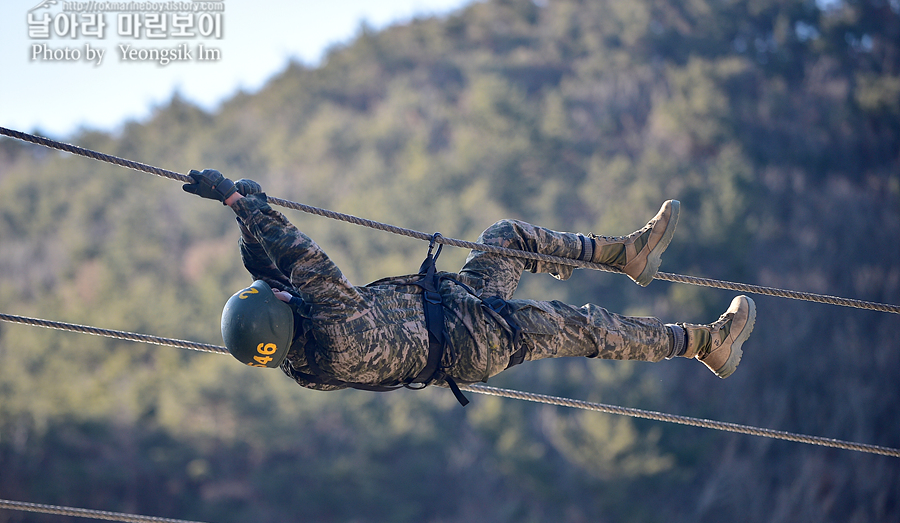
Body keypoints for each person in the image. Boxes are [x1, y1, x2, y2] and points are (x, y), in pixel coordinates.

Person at [183, 169, 756, 405]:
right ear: (282, 318)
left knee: (506, 236)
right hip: (480, 338)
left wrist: (245, 213)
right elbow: (299, 258)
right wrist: (239, 201)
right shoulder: (332, 324)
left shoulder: (301, 356)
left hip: (456, 303)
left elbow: (271, 270)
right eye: (277, 300)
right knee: (584, 327)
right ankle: (704, 343)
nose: (280, 292)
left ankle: (624, 254)